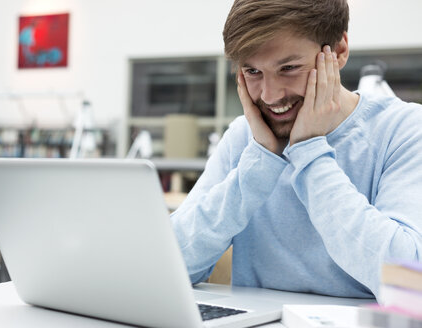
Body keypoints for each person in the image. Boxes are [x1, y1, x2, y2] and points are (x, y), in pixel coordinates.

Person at [170, 0, 422, 299]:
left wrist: (310, 152)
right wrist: (260, 163)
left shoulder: (405, 130)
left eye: (288, 68)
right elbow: (172, 268)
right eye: (252, 71)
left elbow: (408, 285)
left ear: (339, 51)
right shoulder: (245, 136)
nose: (270, 95)